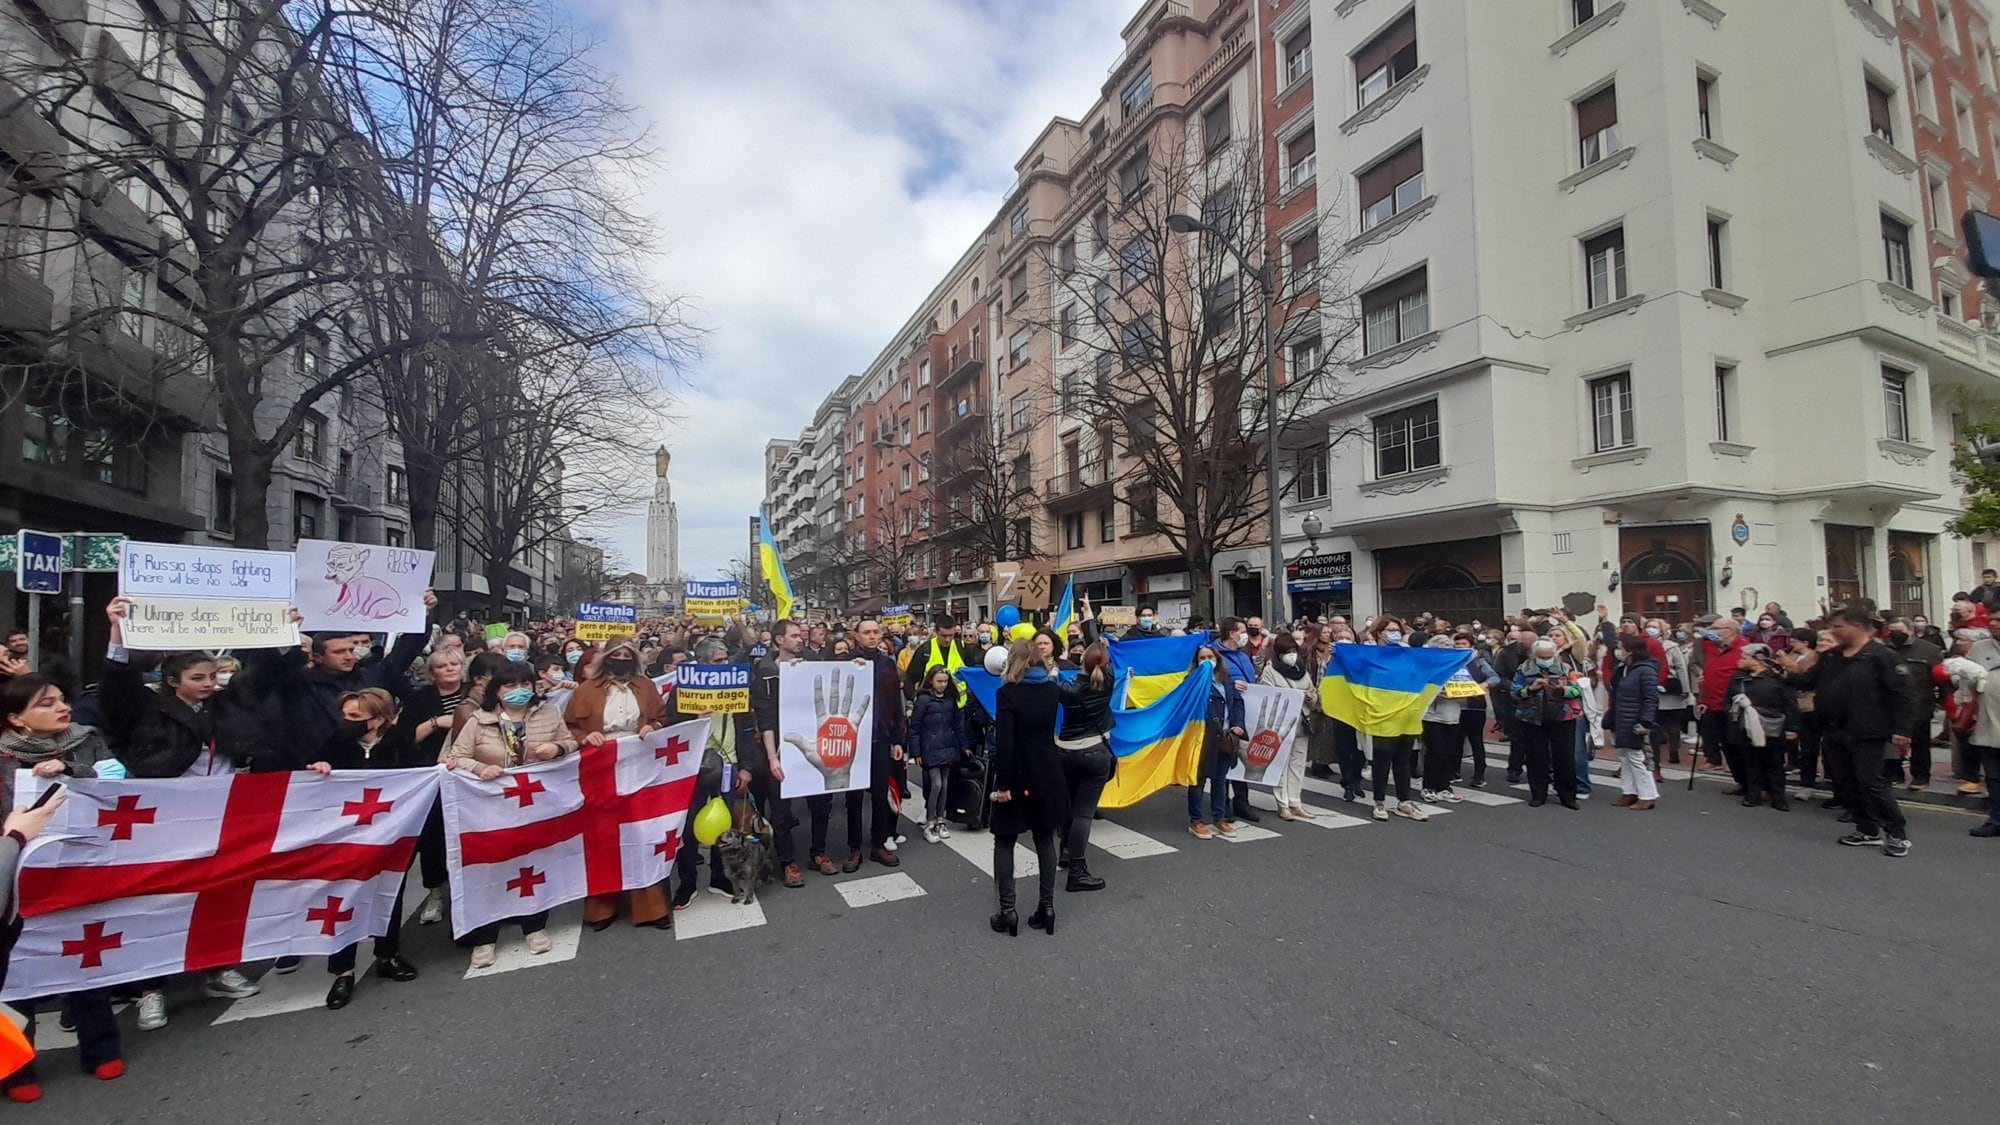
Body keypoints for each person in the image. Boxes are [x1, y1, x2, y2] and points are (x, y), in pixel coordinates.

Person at [99, 600, 273, 1023]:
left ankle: (217, 967)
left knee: (217, 894)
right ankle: (149, 987)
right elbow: (118, 687)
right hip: (166, 820)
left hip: (221, 816)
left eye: (213, 676)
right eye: (198, 678)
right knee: (159, 901)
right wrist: (117, 632)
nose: (209, 684)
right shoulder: (145, 710)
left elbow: (268, 680)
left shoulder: (226, 706)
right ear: (172, 682)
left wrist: (279, 634)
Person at [0, 675, 124, 1095]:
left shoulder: (87, 739)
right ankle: (17, 1067)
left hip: (79, 867)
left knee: (85, 956)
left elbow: (118, 779)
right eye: (45, 703)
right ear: (17, 719)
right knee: (18, 971)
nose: (60, 707)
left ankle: (102, 1049)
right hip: (19, 878)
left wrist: (72, 770)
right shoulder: (3, 757)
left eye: (60, 699)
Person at [441, 660, 577, 966]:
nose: (519, 691)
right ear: (497, 691)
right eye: (510, 686)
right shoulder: (479, 720)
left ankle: (534, 925)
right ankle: (485, 936)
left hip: (534, 806)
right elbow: (454, 757)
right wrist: (479, 767)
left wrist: (557, 749)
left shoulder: (549, 713)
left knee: (533, 862)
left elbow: (571, 742)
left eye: (525, 685)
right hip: (490, 807)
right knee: (490, 867)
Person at [304, 689, 424, 1008]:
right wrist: (317, 769)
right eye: (345, 715)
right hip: (347, 838)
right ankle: (342, 970)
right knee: (343, 897)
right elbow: (313, 768)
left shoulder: (398, 741)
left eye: (355, 717)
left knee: (389, 892)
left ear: (380, 719)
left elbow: (424, 776)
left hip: (390, 836)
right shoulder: (336, 742)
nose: (346, 722)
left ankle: (388, 955)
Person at [1779, 605, 1914, 856]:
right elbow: (1809, 681)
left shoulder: (1882, 656)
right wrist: (1782, 672)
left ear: (1857, 626)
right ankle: (1867, 828)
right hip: (1833, 729)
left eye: (1838, 627)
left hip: (1867, 730)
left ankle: (1896, 833)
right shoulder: (1833, 656)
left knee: (1871, 782)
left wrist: (1902, 728)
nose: (1833, 632)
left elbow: (1902, 694)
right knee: (1845, 781)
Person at [564, 635, 672, 929]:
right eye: (617, 654)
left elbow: (663, 717)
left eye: (628, 655)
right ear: (606, 657)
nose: (622, 660)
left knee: (641, 831)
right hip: (600, 767)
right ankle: (602, 906)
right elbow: (570, 726)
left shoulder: (646, 687)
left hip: (639, 764)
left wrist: (654, 725)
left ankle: (650, 906)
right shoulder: (587, 689)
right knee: (603, 833)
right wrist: (584, 737)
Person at [669, 637, 757, 907]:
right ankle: (687, 883)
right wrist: (692, 719)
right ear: (704, 663)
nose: (724, 665)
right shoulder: (683, 689)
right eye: (718, 661)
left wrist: (747, 767)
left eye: (725, 660)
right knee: (688, 828)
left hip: (728, 765)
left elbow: (745, 729)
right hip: (692, 767)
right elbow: (669, 724)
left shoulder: (736, 686)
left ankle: (720, 878)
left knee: (725, 826)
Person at [989, 639, 1064, 937]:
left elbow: (1005, 743)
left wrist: (1004, 784)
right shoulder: (1050, 689)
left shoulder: (1007, 693)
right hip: (1047, 771)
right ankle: (1046, 906)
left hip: (1017, 773)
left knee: (1005, 840)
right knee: (1045, 839)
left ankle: (1007, 910)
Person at [1055, 640, 1117, 888]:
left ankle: (1066, 853)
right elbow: (1101, 650)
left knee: (1069, 807)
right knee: (1084, 813)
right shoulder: (1108, 680)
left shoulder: (1068, 689)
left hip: (1065, 753)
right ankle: (1077, 873)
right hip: (1095, 751)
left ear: (1080, 660)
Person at [752, 620, 808, 888]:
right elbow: (766, 721)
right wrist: (773, 758)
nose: (800, 640)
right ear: (778, 640)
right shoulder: (765, 672)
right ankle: (788, 861)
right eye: (795, 636)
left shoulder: (809, 662)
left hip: (806, 744)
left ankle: (819, 851)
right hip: (780, 748)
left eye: (801, 635)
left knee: (820, 803)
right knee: (781, 806)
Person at [1361, 617, 1428, 822]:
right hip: (1382, 713)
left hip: (1406, 712)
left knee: (1403, 759)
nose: (1394, 633)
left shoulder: (1406, 653)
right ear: (1379, 632)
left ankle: (1404, 801)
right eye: (1389, 630)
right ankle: (1379, 801)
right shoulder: (1370, 655)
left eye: (1396, 630)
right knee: (1382, 759)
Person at [1512, 638, 1582, 809]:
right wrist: (1530, 689)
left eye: (1549, 656)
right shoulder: (1524, 670)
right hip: (1532, 717)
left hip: (1562, 717)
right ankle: (1538, 794)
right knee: (1536, 757)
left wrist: (1562, 689)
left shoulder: (1565, 669)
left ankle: (1567, 795)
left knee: (1564, 757)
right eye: (1542, 657)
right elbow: (1514, 692)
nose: (1546, 660)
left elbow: (1577, 690)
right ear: (1535, 656)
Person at [1725, 644, 1797, 810]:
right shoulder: (1738, 677)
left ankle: (1778, 797)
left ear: (1759, 660)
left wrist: (1793, 727)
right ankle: (1753, 795)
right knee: (1751, 761)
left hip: (1773, 724)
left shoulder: (1778, 679)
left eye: (1745, 657)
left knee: (1775, 762)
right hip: (1746, 725)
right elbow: (1729, 700)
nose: (1740, 660)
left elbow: (1790, 704)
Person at [1258, 633, 1318, 819]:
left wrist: (1311, 697)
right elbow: (1268, 696)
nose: (1291, 655)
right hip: (1281, 725)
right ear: (1278, 654)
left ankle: (1295, 801)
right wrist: (1300, 694)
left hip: (1302, 722)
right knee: (1281, 764)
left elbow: (1314, 693)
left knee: (1298, 764)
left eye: (1293, 651)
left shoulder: (1302, 670)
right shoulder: (1270, 671)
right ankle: (1283, 804)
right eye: (1286, 652)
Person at [1884, 618, 1944, 792]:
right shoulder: (1884, 649)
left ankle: (1921, 775)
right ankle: (1894, 772)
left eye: (1898, 629)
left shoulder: (1929, 650)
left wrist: (1942, 701)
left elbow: (1939, 677)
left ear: (1910, 630)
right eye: (1891, 629)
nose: (1894, 633)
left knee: (1919, 741)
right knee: (1890, 740)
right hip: (1890, 703)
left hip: (1920, 701)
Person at [1187, 643, 1240, 839]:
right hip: (1202, 739)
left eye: (1211, 657)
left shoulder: (1226, 680)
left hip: (1225, 738)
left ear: (1217, 659)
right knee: (1198, 781)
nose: (1207, 661)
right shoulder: (1191, 682)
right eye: (1203, 658)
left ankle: (1220, 818)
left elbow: (1237, 703)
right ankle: (1196, 820)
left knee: (1220, 780)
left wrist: (1238, 724)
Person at [909, 667, 965, 845]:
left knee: (945, 784)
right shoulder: (924, 700)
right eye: (939, 681)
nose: (942, 685)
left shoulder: (950, 700)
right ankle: (930, 820)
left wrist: (964, 746)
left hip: (947, 746)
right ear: (931, 681)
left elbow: (958, 724)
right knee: (936, 784)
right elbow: (915, 728)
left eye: (945, 681)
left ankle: (940, 819)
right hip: (930, 748)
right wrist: (916, 752)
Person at [1216, 617, 1262, 823]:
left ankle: (1242, 802)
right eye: (1242, 630)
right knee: (1226, 758)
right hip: (1225, 713)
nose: (1246, 634)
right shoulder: (1214, 654)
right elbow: (1213, 679)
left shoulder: (1242, 655)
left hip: (1246, 713)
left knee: (1243, 758)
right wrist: (1232, 685)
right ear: (1231, 633)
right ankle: (1223, 803)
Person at [1607, 635, 1660, 809]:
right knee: (1625, 757)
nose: (1618, 651)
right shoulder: (1623, 669)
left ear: (1630, 650)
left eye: (1621, 647)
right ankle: (1629, 791)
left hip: (1635, 719)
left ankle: (1647, 795)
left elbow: (1650, 698)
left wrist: (1646, 721)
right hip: (1621, 717)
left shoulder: (1646, 670)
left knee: (1637, 758)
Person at [1694, 615, 1748, 784]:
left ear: (1730, 631)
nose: (1711, 632)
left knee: (1740, 746)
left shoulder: (1745, 648)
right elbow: (1697, 650)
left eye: (1716, 629)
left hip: (1735, 705)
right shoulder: (1711, 647)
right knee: (1727, 746)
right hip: (1713, 703)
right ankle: (1740, 781)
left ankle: (1754, 784)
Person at [1417, 636, 1470, 805]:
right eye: (1443, 646)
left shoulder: (1458, 666)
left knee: (1450, 752)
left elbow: (1468, 685)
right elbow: (1420, 688)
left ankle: (1444, 787)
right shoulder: (1427, 666)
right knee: (1435, 751)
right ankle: (1429, 786)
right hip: (1432, 715)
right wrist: (1437, 693)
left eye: (1449, 645)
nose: (1448, 648)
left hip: (1453, 714)